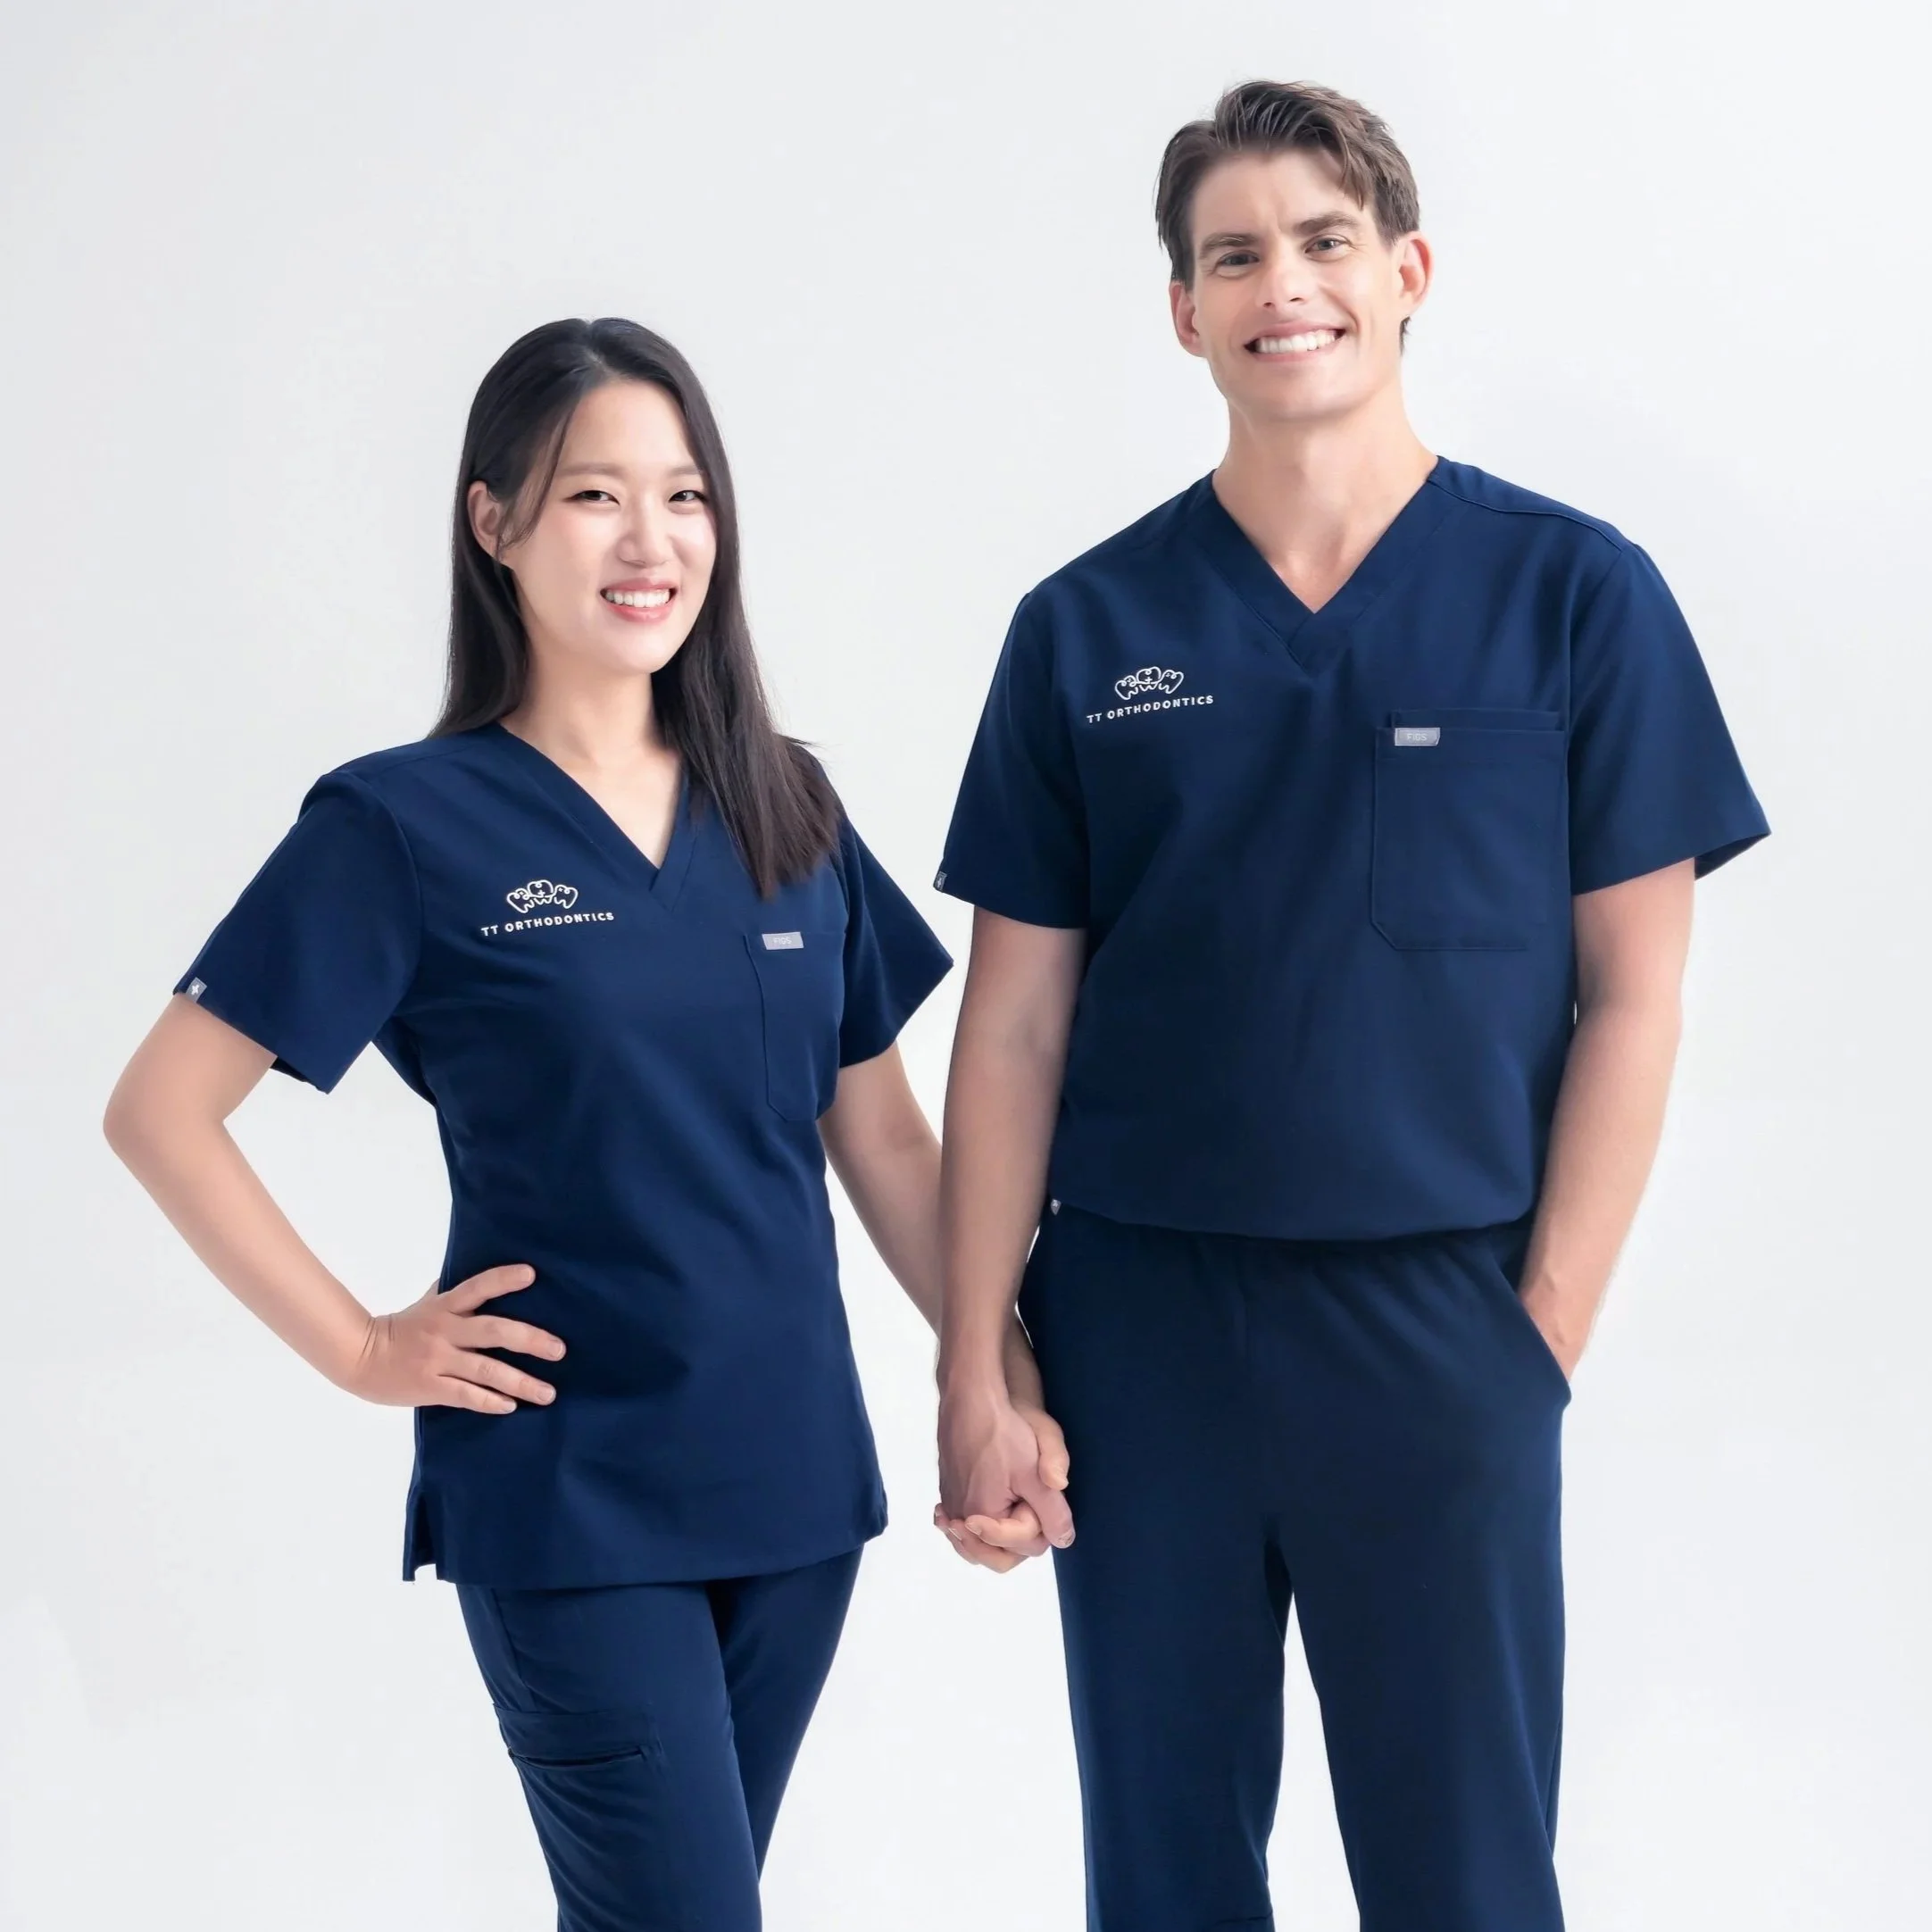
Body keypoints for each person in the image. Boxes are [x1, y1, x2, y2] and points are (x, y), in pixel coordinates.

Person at [932, 80, 1770, 1931]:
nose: (1282, 286)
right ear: (1183, 311)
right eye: (1233, 255)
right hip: (1139, 1328)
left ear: (1406, 273)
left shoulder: (1572, 594)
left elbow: (1636, 995)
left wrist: (1537, 1336)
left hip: (1440, 1323)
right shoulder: (1085, 628)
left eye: (1322, 241)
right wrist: (973, 1360)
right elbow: (1011, 1028)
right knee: (1161, 1875)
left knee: (1465, 1880)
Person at [103, 316, 1062, 1931]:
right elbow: (161, 1112)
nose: (649, 542)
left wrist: (1003, 1369)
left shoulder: (787, 806)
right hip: (570, 1492)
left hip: (794, 1490)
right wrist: (361, 1348)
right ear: (494, 524)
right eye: (593, 497)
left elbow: (886, 1142)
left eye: (684, 497)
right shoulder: (400, 824)